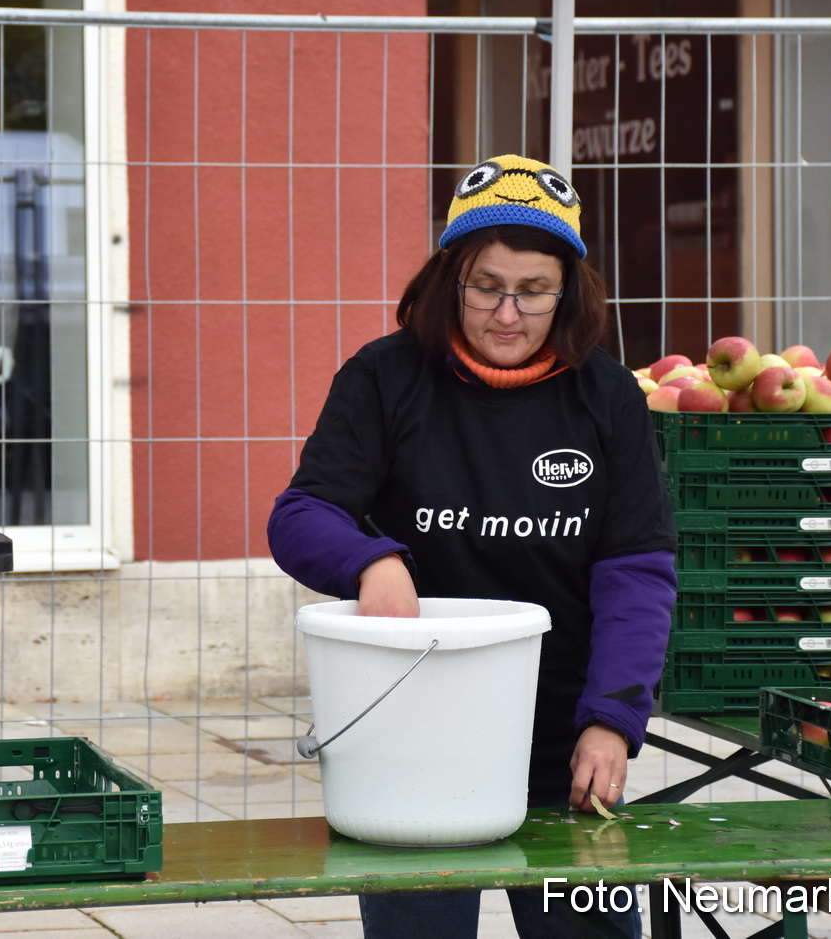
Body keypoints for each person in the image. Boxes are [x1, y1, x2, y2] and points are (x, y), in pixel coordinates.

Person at [268, 154, 676, 939]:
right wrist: (370, 558)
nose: (507, 314)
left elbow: (636, 572)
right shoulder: (386, 378)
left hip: (563, 741)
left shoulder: (608, 397)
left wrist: (612, 720)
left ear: (570, 289)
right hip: (411, 743)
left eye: (534, 291)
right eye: (486, 285)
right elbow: (301, 513)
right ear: (450, 276)